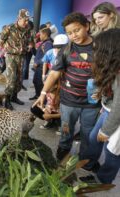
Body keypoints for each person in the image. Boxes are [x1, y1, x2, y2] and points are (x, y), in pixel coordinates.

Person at [33, 12, 101, 161]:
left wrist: (104, 91)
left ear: (87, 26)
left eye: (77, 30)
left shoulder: (100, 47)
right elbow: (54, 74)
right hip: (69, 101)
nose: (74, 35)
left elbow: (109, 71)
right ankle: (62, 154)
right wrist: (43, 94)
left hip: (92, 103)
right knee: (66, 130)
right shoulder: (66, 50)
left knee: (87, 133)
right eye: (69, 33)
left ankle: (84, 160)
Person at [80, 28, 120, 184]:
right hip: (109, 111)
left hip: (115, 115)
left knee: (112, 152)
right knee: (93, 137)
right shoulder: (113, 69)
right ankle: (89, 164)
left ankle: (104, 180)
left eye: (97, 49)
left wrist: (106, 130)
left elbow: (119, 107)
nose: (94, 53)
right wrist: (103, 97)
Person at [0, 9, 33, 109]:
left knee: (19, 78)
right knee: (11, 78)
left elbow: (31, 41)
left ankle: (14, 97)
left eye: (28, 20)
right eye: (25, 20)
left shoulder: (28, 29)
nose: (26, 22)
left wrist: (30, 46)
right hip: (11, 56)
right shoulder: (9, 28)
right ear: (19, 18)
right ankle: (6, 100)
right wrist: (7, 49)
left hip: (22, 57)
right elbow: (0, 41)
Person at [29, 27, 53, 100]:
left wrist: (37, 62)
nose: (39, 36)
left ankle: (41, 97)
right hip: (39, 66)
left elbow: (48, 57)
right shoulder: (44, 43)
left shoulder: (48, 44)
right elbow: (37, 54)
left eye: (41, 34)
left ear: (45, 34)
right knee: (35, 81)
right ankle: (37, 95)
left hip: (42, 66)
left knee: (39, 82)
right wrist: (32, 48)